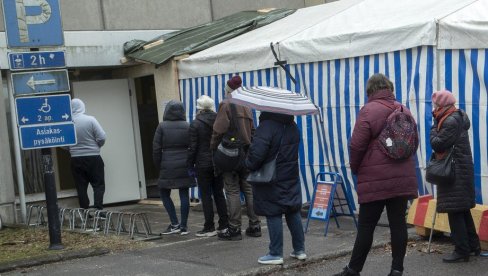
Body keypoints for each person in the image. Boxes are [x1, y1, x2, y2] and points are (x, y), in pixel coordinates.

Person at [334, 74, 418, 276]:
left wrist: (355, 168)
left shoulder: (368, 110)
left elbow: (356, 145)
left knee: (366, 225)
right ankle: (397, 270)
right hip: (402, 178)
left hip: (375, 178)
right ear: (389, 88)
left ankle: (354, 270)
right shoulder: (403, 109)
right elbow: (414, 143)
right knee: (398, 224)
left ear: (370, 90)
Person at [245, 111, 306, 265]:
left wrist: (248, 163)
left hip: (271, 178)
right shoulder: (293, 126)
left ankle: (275, 253)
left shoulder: (266, 127)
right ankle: (300, 250)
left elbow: (256, 156)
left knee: (273, 212)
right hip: (290, 175)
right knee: (292, 210)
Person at [429, 90, 480, 263]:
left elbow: (438, 144)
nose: (434, 107)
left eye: (436, 104)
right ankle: (473, 247)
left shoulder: (449, 121)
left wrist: (433, 128)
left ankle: (461, 251)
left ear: (442, 105)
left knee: (455, 212)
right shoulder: (456, 117)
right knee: (463, 210)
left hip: (454, 172)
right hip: (460, 170)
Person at [211, 75, 261, 241]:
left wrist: (213, 148)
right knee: (249, 189)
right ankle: (255, 225)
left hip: (230, 155)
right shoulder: (247, 105)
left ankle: (234, 228)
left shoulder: (225, 104)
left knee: (232, 191)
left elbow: (218, 130)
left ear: (228, 89)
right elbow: (253, 131)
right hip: (246, 153)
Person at [188, 95, 229, 237]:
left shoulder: (195, 123)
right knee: (219, 193)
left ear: (199, 108)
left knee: (206, 195)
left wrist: (189, 165)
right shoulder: (219, 119)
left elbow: (192, 147)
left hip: (202, 163)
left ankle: (209, 226)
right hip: (218, 161)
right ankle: (224, 224)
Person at [153, 100, 196, 235]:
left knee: (164, 193)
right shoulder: (187, 126)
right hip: (184, 163)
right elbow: (193, 146)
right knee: (184, 193)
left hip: (167, 163)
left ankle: (174, 223)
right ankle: (183, 226)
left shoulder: (161, 127)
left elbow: (156, 149)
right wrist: (191, 163)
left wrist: (158, 165)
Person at [69, 98, 107, 210]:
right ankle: (98, 209)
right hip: (93, 157)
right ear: (82, 107)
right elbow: (102, 137)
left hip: (75, 159)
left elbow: (63, 142)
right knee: (98, 185)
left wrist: (72, 148)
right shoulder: (90, 120)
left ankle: (85, 211)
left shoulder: (68, 122)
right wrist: (97, 146)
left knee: (81, 186)